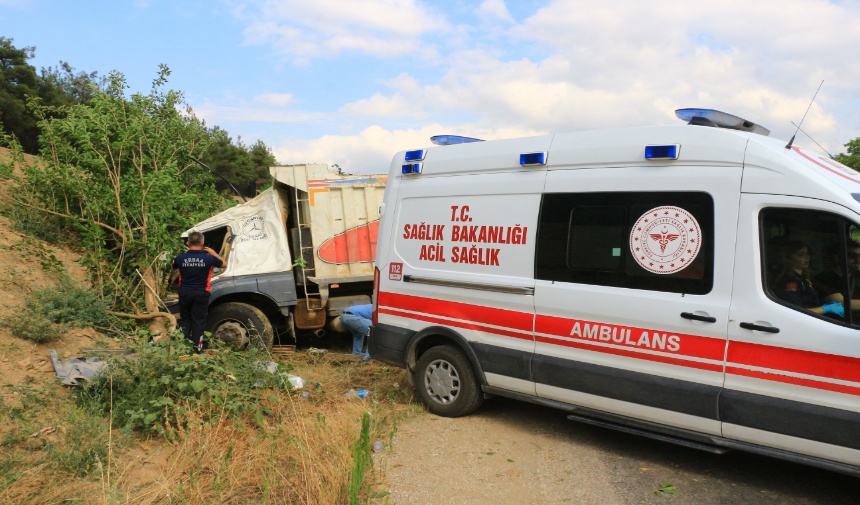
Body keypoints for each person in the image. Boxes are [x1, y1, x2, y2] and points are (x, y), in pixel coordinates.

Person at [171, 231, 226, 352]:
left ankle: (183, 346)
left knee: (185, 319)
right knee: (198, 320)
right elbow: (224, 264)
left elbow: (173, 266)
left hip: (185, 292)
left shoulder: (181, 257)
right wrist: (214, 253)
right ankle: (197, 347)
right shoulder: (209, 258)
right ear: (202, 243)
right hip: (201, 293)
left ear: (188, 243)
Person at [770, 240, 843, 318]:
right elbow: (795, 312)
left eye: (808, 254)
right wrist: (824, 309)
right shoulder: (789, 282)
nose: (807, 257)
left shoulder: (803, 279)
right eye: (801, 255)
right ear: (787, 258)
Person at [815, 240, 860, 311]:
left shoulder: (857, 276)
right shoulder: (823, 279)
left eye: (859, 255)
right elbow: (841, 303)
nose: (858, 260)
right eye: (852, 256)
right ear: (837, 257)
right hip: (838, 321)